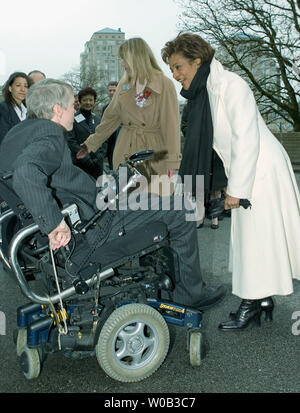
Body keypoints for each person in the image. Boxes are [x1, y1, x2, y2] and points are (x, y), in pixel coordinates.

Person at [0, 78, 225, 311]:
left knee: (141, 194)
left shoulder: (18, 134)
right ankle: (191, 294)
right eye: (70, 105)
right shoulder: (49, 133)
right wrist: (55, 224)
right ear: (57, 110)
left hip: (86, 214)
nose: (74, 109)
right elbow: (26, 174)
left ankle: (169, 280)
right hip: (94, 227)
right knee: (180, 209)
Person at [161, 32, 300, 331]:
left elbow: (245, 138)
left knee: (254, 239)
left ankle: (251, 303)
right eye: (171, 69)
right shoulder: (205, 92)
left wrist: (236, 189)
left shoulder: (232, 86)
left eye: (178, 66)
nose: (174, 75)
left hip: (260, 169)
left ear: (197, 61)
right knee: (257, 239)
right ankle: (261, 300)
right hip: (248, 169)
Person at [77, 37, 182, 192]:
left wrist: (172, 162)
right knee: (127, 205)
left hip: (154, 153)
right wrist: (90, 144)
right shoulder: (124, 85)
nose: (122, 64)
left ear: (136, 59)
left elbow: (171, 126)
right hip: (126, 151)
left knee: (154, 204)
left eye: (124, 59)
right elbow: (110, 119)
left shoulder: (164, 84)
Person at [66, 87, 106, 179]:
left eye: (91, 100)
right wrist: (85, 158)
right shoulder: (72, 119)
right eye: (85, 100)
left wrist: (99, 157)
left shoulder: (98, 120)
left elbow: (104, 140)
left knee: (97, 191)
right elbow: (71, 140)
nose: (88, 102)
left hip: (97, 165)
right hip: (80, 163)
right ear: (79, 101)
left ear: (94, 101)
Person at [0, 72, 30, 144]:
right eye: (18, 85)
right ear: (10, 88)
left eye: (26, 86)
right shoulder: (3, 109)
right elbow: (3, 138)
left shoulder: (28, 110)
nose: (23, 89)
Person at [101, 81, 120, 170]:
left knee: (123, 172)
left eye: (114, 90)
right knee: (114, 172)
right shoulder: (105, 108)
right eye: (110, 90)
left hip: (123, 144)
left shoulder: (125, 106)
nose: (112, 93)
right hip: (111, 148)